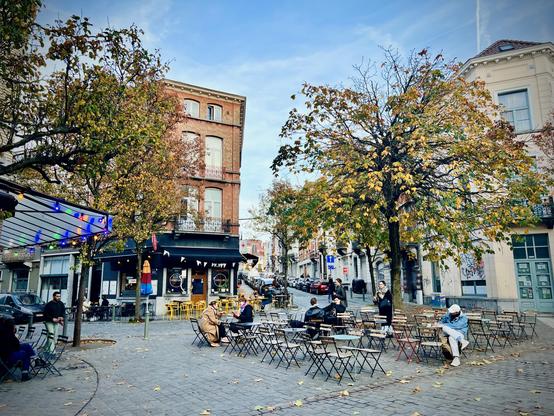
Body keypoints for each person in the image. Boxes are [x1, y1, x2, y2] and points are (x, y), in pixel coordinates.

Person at [0, 317, 35, 381]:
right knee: (25, 354)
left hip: (5, 354)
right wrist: (14, 334)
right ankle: (25, 374)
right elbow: (16, 346)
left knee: (26, 346)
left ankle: (36, 359)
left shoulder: (4, 332)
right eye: (14, 326)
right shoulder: (9, 335)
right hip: (7, 357)